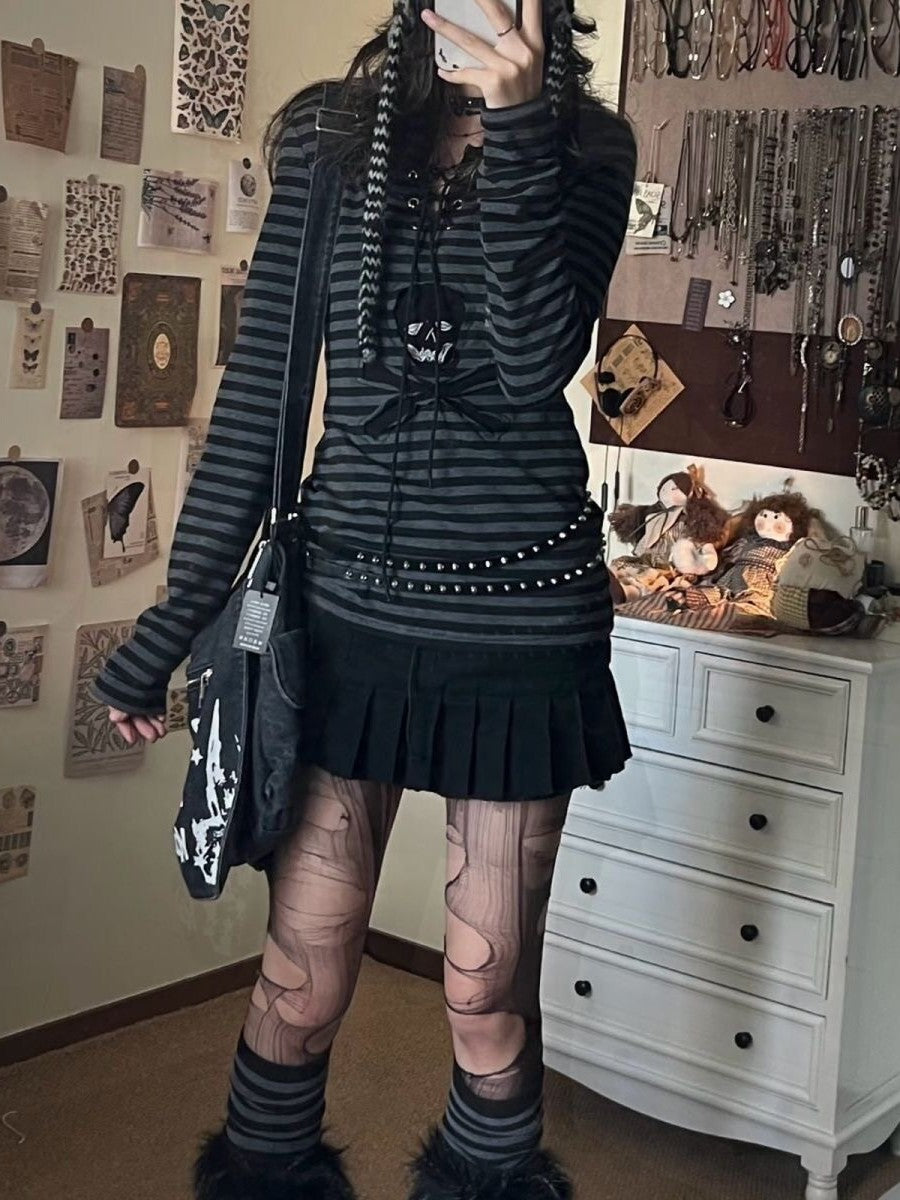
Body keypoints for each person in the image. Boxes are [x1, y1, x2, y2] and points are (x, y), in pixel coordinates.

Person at [92, 1, 636, 1196]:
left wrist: (519, 124)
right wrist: (170, 624)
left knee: (484, 991)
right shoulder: (329, 137)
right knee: (303, 973)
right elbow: (260, 397)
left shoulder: (590, 148)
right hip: (343, 620)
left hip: (518, 622)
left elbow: (534, 358)